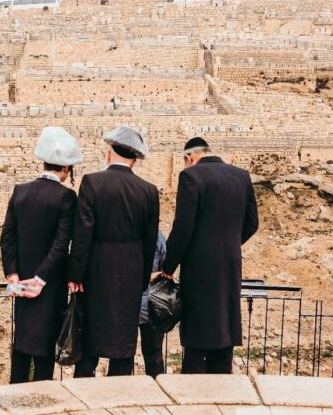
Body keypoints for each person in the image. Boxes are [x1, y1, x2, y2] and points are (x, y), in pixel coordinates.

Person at [162, 137, 259, 375]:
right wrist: (229, 245)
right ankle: (222, 398)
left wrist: (168, 266)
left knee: (197, 340)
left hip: (199, 270)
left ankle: (194, 402)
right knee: (223, 335)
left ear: (189, 158)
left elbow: (183, 227)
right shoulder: (241, 176)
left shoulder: (191, 176)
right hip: (229, 268)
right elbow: (252, 223)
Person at [69, 125, 159, 377]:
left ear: (109, 153)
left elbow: (82, 236)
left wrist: (76, 275)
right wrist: (142, 279)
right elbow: (150, 241)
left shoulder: (92, 182)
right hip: (130, 273)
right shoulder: (148, 191)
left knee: (90, 343)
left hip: (96, 273)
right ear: (134, 160)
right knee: (123, 346)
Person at [0, 126, 81, 383]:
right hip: (49, 287)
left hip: (21, 284)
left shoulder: (20, 191)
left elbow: (7, 237)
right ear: (66, 169)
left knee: (21, 346)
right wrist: (41, 278)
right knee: (45, 351)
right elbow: (61, 244)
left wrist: (13, 274)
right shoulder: (66, 197)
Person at [138, 230, 167, 379]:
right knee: (154, 355)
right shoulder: (158, 237)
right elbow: (167, 268)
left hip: (130, 302)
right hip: (150, 303)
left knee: (122, 356)